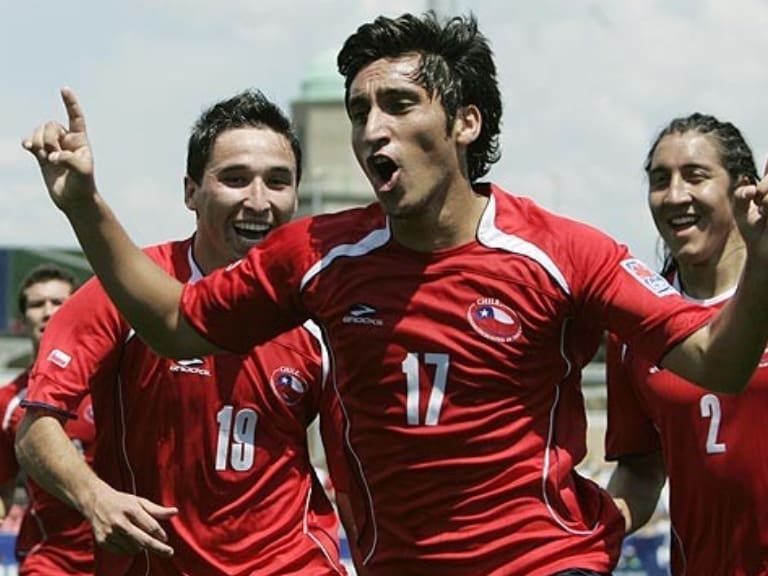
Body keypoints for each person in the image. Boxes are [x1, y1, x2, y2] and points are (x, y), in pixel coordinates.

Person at [22, 11, 768, 576]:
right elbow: (175, 325)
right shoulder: (316, 255)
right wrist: (85, 205)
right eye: (358, 110)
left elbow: (717, 360)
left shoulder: (561, 252)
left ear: (465, 123)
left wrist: (763, 262)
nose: (374, 129)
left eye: (400, 104)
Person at [16, 90, 346, 575]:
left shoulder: (318, 303)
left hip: (292, 564)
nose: (258, 200)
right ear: (191, 192)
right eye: (235, 179)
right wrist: (96, 498)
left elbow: (355, 463)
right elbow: (34, 429)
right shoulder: (122, 289)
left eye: (277, 181)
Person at [605, 113, 768, 575]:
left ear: (745, 188)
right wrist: (584, 524)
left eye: (695, 176)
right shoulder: (635, 325)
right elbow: (640, 472)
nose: (675, 195)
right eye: (660, 180)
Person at [0, 263, 95, 575]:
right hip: (50, 560)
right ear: (23, 318)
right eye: (36, 304)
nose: (47, 311)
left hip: (124, 556)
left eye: (58, 302)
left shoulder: (115, 385)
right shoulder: (9, 401)